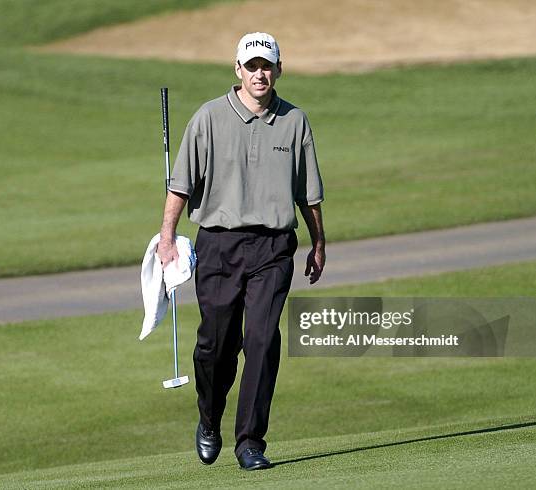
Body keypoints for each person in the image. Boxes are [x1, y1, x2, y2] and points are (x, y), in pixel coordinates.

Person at [156, 32, 325, 470]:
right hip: (219, 245)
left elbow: (308, 193)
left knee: (263, 341)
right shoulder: (209, 118)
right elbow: (180, 184)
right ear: (238, 70)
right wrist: (168, 237)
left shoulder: (294, 122)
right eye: (252, 66)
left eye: (267, 66)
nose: (259, 74)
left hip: (273, 248)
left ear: (279, 69)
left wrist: (319, 242)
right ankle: (208, 419)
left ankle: (251, 441)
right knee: (216, 344)